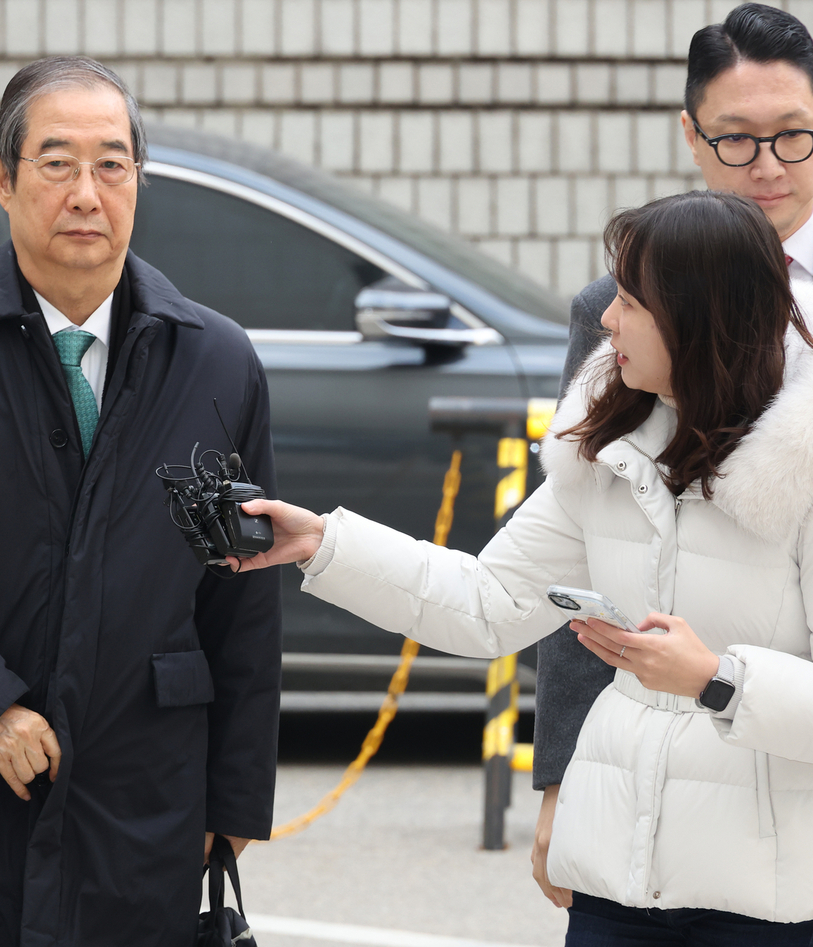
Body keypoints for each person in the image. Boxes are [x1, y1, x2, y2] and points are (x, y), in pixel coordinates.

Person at [237, 189, 813, 942]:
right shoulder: (605, 449)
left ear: (699, 316)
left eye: (630, 301)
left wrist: (714, 678)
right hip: (612, 885)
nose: (605, 320)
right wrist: (320, 543)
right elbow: (486, 602)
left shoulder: (797, 467)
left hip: (766, 899)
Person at [0, 56, 282, 947]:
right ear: (2, 177)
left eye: (112, 163)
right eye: (56, 161)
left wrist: (233, 796)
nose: (86, 191)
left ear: (139, 179)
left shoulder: (216, 361)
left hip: (138, 787)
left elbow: (242, 593)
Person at [539, 0, 813, 911]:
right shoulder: (609, 309)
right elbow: (586, 564)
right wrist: (560, 785)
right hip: (674, 794)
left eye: (793, 135)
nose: (767, 166)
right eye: (736, 139)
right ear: (690, 135)